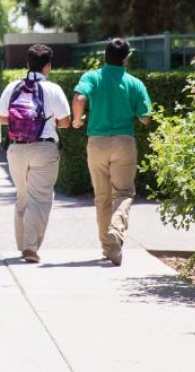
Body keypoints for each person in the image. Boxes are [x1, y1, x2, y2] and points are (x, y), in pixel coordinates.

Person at [70, 38, 151, 266]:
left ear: (104, 56)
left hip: (96, 142)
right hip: (124, 142)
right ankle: (116, 229)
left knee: (102, 198)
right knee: (123, 193)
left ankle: (108, 248)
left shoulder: (92, 77)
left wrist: (77, 120)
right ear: (126, 59)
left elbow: (79, 97)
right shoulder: (135, 83)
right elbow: (145, 118)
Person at [0, 44, 71, 264]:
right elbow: (65, 122)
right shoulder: (53, 89)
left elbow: (0, 118)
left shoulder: (13, 87)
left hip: (17, 148)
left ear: (27, 64)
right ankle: (30, 247)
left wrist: (21, 121)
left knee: (22, 197)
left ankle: (22, 245)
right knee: (40, 199)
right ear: (48, 66)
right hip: (44, 148)